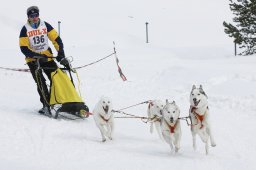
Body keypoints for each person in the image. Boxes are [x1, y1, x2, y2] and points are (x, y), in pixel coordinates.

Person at [19, 6, 69, 115]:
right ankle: (46, 105)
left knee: (56, 77)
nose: (35, 18)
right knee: (40, 81)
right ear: (28, 17)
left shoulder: (45, 25)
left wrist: (61, 54)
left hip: (47, 56)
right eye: (32, 16)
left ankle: (59, 101)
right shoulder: (25, 29)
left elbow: (56, 39)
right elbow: (23, 48)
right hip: (32, 59)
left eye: (36, 15)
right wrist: (35, 55)